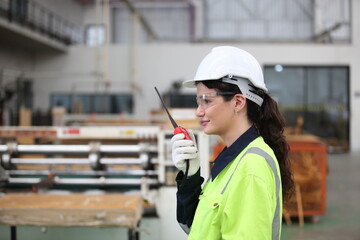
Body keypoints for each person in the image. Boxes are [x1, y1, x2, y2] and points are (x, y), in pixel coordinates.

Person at [171, 46, 294, 239]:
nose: (198, 111)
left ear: (238, 102)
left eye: (206, 101)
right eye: (198, 102)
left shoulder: (251, 168)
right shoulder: (234, 160)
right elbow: (198, 227)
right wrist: (190, 176)